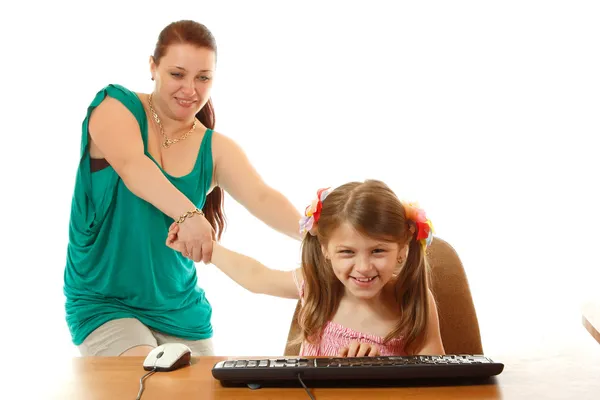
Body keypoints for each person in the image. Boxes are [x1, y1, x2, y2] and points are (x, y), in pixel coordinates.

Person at [63, 20, 301, 357]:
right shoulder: (114, 106)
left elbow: (262, 197)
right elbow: (134, 167)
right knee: (153, 381)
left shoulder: (216, 148)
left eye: (203, 78)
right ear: (153, 67)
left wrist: (320, 233)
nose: (190, 89)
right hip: (104, 302)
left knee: (200, 389)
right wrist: (190, 214)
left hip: (179, 308)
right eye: (177, 74)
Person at [168, 180, 446, 357]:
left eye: (378, 251)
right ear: (325, 250)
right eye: (347, 252)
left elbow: (436, 378)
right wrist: (207, 249)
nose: (363, 267)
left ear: (402, 251)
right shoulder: (317, 286)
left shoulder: (413, 300)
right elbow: (257, 277)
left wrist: (382, 368)